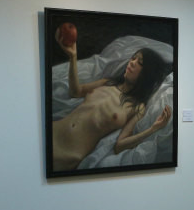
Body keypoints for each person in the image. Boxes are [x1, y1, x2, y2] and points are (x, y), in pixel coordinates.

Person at [51, 28, 172, 171]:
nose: (132, 63)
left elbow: (119, 146)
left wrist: (153, 129)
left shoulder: (137, 107)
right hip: (54, 130)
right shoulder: (108, 83)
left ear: (147, 73)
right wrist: (73, 57)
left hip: (70, 155)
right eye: (133, 58)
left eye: (140, 62)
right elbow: (75, 92)